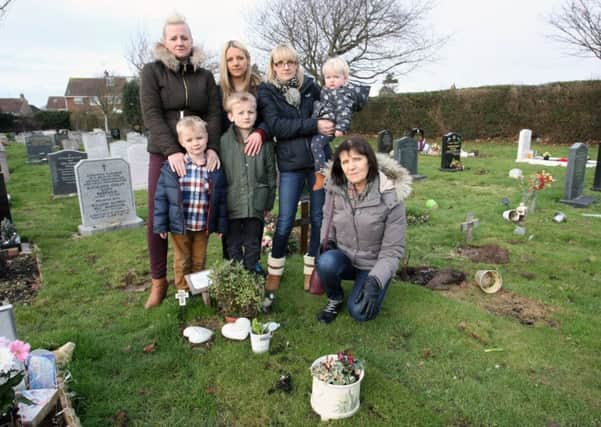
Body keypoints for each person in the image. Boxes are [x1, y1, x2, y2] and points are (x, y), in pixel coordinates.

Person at [140, 13, 221, 309]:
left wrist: (211, 148)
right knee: (158, 217)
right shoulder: (153, 72)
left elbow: (214, 113)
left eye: (184, 37)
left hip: (200, 152)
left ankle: (196, 280)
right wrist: (172, 151)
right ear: (165, 41)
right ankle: (159, 281)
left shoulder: (205, 75)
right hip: (165, 154)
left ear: (191, 40)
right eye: (173, 37)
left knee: (199, 214)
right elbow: (151, 114)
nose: (179, 42)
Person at [258, 43, 335, 292]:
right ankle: (275, 271)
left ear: (296, 63)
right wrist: (314, 125)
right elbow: (278, 126)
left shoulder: (311, 87)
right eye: (280, 63)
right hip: (290, 165)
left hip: (318, 165)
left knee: (318, 218)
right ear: (273, 67)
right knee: (285, 219)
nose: (286, 67)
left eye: (290, 62)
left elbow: (330, 116)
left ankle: (312, 271)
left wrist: (329, 128)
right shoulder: (267, 92)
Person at [315, 136, 412, 323]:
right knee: (326, 262)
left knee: (360, 312)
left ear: (369, 160)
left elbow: (393, 250)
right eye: (345, 161)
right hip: (345, 258)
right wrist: (328, 243)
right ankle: (335, 298)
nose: (351, 167)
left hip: (373, 265)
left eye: (357, 159)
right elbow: (327, 219)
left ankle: (375, 283)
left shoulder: (391, 196)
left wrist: (375, 281)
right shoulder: (335, 189)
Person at [153, 116, 227, 293]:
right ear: (181, 142)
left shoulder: (213, 167)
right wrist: (161, 224)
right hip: (181, 225)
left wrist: (221, 225)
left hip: (203, 225)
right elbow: (161, 197)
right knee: (182, 260)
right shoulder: (173, 167)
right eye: (189, 140)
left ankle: (198, 288)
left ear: (207, 138)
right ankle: (182, 291)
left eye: (200, 138)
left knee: (199, 259)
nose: (195, 143)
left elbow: (221, 199)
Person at [217, 40, 269, 271]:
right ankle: (232, 271)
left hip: (256, 146)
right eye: (230, 59)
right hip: (231, 154)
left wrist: (260, 132)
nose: (236, 63)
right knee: (232, 237)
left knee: (252, 234)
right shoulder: (219, 90)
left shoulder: (261, 87)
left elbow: (270, 117)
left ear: (248, 59)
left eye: (240, 57)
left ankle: (252, 267)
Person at [219, 92, 276, 272]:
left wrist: (268, 202)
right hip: (232, 203)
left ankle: (252, 274)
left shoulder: (265, 143)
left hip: (256, 203)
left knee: (253, 244)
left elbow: (271, 173)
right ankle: (236, 277)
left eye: (250, 112)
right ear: (231, 116)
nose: (246, 116)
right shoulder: (222, 142)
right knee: (233, 244)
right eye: (241, 112)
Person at [311, 57, 370, 191]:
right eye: (328, 77)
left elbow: (345, 112)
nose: (331, 80)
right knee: (324, 150)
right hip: (321, 122)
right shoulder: (326, 91)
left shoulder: (342, 94)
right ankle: (334, 173)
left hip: (330, 127)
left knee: (316, 144)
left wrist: (340, 128)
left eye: (336, 77)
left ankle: (321, 176)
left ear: (345, 78)